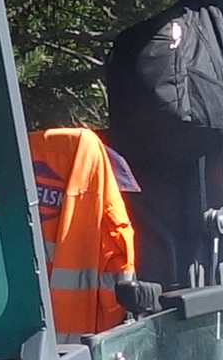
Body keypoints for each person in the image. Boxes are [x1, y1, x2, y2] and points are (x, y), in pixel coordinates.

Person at [30, 123, 143, 335]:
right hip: (77, 347)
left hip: (0, 341)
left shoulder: (11, 161)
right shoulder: (92, 164)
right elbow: (120, 266)